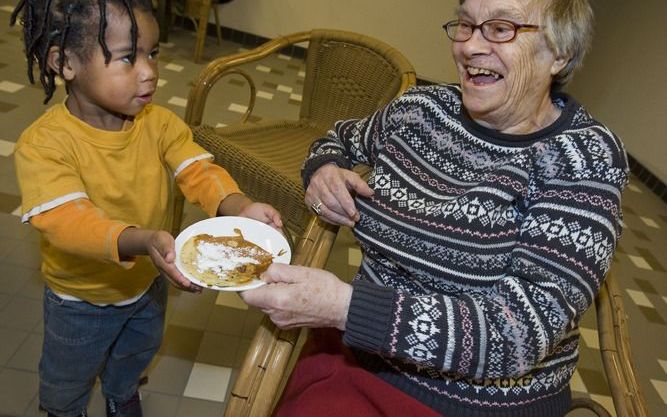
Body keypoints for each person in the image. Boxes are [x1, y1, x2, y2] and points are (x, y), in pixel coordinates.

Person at [240, 0, 629, 416]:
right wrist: (324, 169)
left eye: (500, 28)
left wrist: (343, 307)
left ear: (560, 53)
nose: (470, 46)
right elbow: (338, 138)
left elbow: (515, 337)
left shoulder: (584, 160)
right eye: (465, 24)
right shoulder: (422, 109)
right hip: (356, 352)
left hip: (475, 401)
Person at [10, 1, 282, 417]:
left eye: (152, 53)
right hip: (80, 299)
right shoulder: (45, 144)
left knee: (138, 349)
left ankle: (121, 392)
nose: (149, 71)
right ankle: (64, 409)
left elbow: (196, 169)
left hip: (147, 280)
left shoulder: (157, 123)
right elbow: (68, 222)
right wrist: (143, 240)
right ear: (64, 62)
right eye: (127, 57)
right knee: (69, 373)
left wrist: (237, 205)